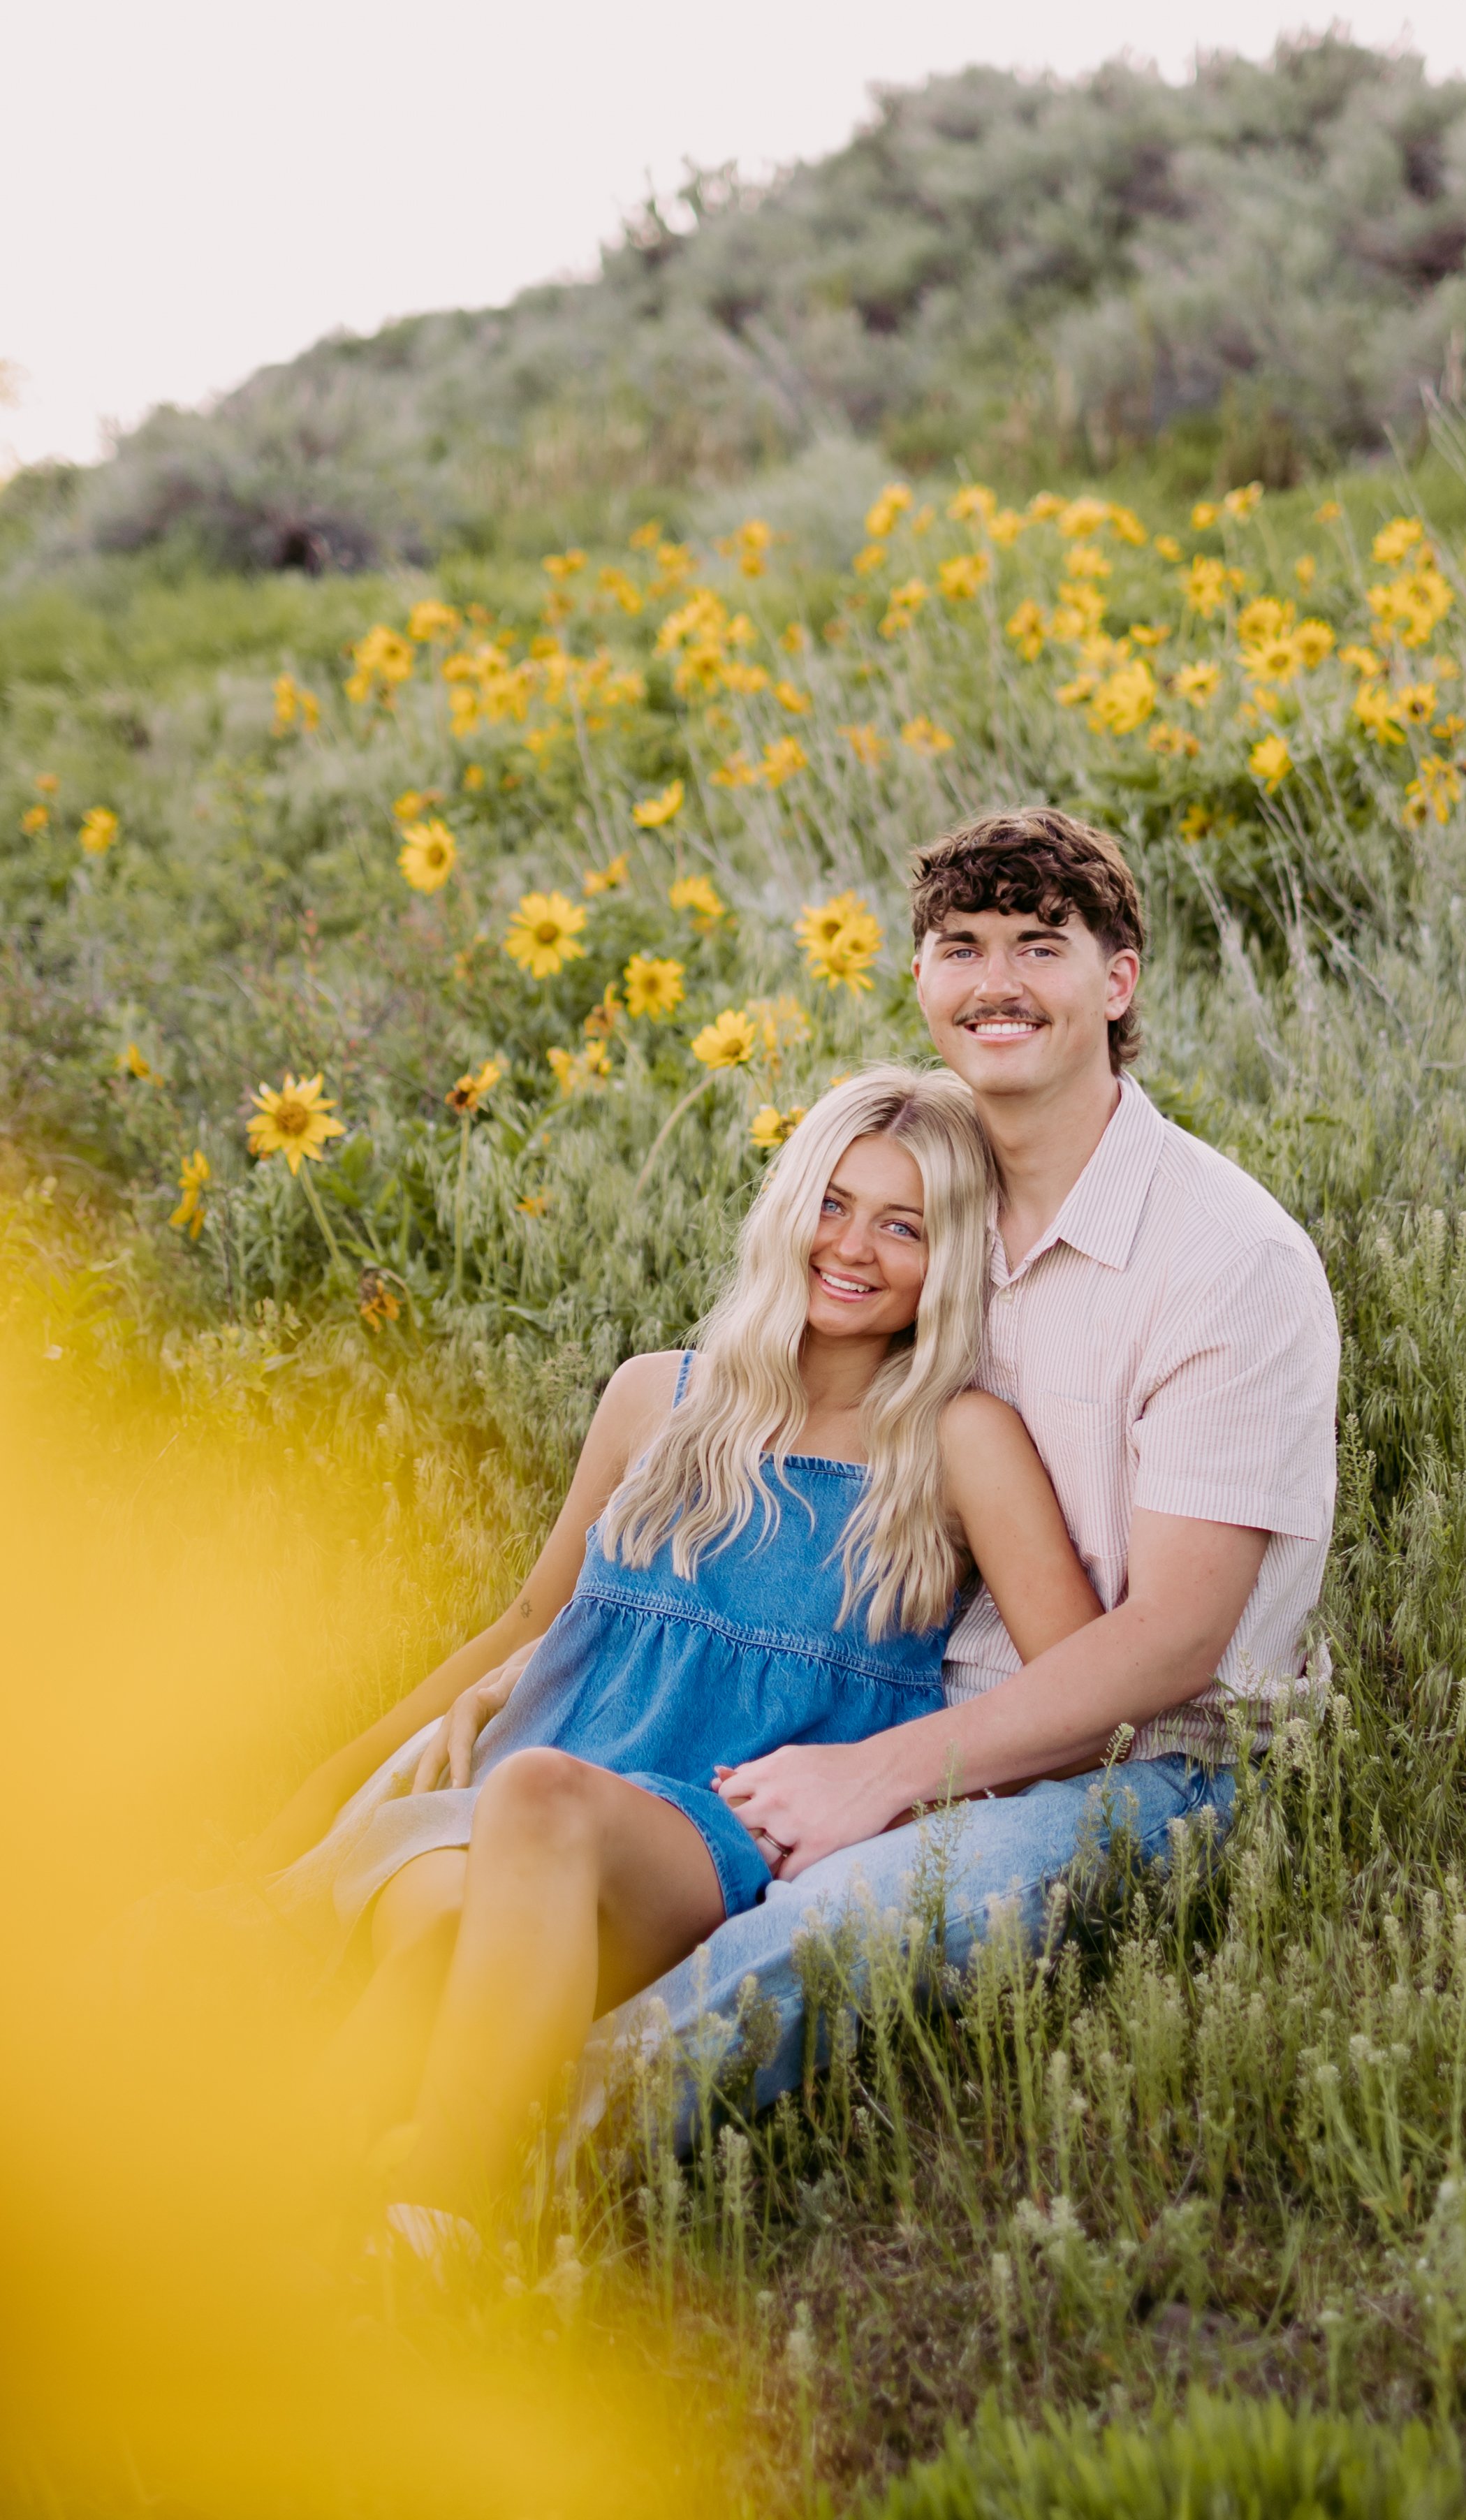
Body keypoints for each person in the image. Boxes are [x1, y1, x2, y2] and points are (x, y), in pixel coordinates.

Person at [580, 806, 1342, 2132]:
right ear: (922, 980)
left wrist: (882, 1776)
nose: (996, 982)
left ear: (1118, 980)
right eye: (961, 945)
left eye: (1040, 946)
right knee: (563, 1812)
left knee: (820, 1930)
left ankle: (480, 2171)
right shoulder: (925, 1204)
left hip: (1145, 1759)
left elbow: (1172, 1644)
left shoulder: (1225, 1262)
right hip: (884, 1679)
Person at [263, 1064, 1104, 2223]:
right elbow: (527, 1621)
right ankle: (275, 2231)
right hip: (511, 1788)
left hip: (703, 1830)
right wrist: (316, 1796)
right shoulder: (656, 1397)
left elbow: (1082, 1692)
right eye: (832, 1202)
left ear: (948, 1258)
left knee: (541, 1806)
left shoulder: (955, 1441)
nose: (852, 1246)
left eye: (902, 1225)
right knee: (436, 1930)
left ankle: (436, 2222)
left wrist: (900, 1786)